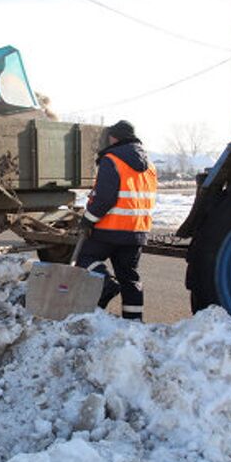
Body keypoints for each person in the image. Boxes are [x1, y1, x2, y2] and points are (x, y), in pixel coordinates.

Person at [77, 120, 157, 321]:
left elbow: (105, 198)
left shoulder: (111, 159)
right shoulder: (150, 166)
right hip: (137, 232)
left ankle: (105, 283)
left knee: (85, 259)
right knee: (129, 276)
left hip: (109, 230)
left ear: (114, 137)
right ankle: (134, 321)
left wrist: (87, 220)